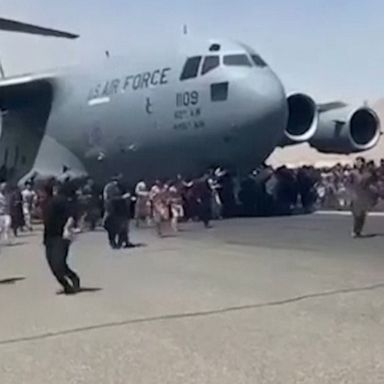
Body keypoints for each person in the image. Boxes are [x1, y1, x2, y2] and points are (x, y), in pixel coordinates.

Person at [42, 182, 80, 295]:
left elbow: (71, 215)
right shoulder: (46, 202)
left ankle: (73, 278)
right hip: (49, 237)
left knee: (59, 264)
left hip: (61, 236)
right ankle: (66, 286)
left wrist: (67, 228)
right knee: (53, 266)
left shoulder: (61, 200)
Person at [349, 157, 378, 238]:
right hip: (355, 196)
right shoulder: (353, 173)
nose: (359, 164)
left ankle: (358, 231)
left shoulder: (368, 174)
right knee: (356, 214)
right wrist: (350, 193)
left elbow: (374, 181)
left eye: (360, 162)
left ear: (363, 163)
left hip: (364, 196)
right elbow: (348, 184)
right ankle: (355, 231)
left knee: (362, 215)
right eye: (357, 162)